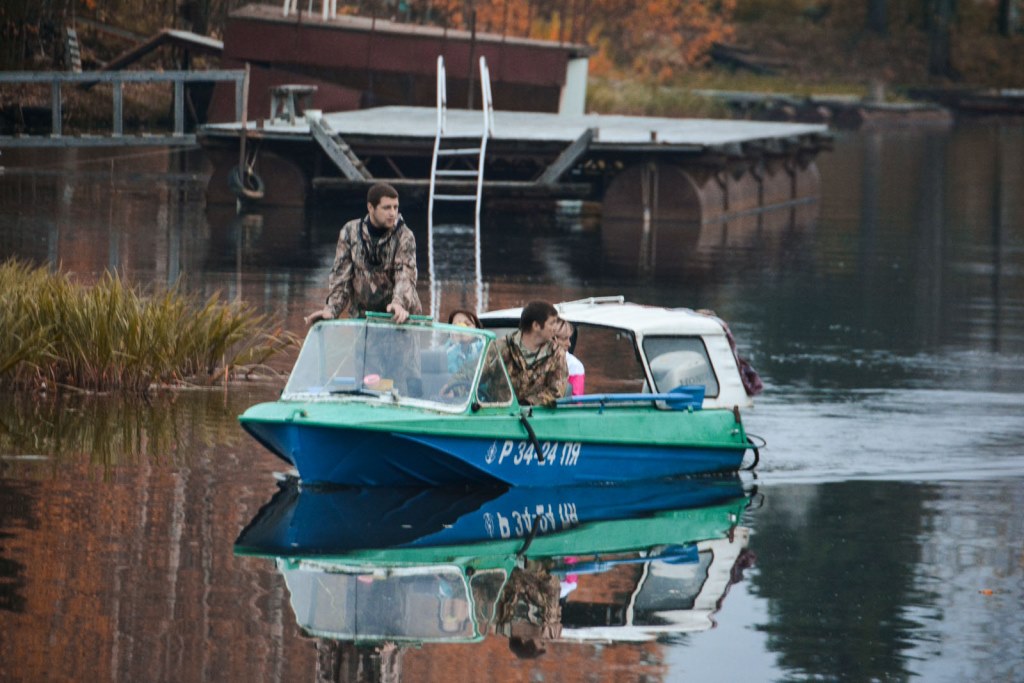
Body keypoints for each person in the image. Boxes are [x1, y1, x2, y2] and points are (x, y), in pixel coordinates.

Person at [304, 182, 422, 326]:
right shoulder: (350, 232)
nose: (392, 213)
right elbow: (341, 277)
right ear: (370, 207)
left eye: (395, 207)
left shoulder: (405, 236)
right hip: (362, 319)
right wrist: (331, 310)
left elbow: (405, 275)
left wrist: (398, 304)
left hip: (400, 318)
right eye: (386, 208)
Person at [496, 301, 567, 407]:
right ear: (536, 325)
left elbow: (557, 391)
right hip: (500, 411)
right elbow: (479, 376)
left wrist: (529, 402)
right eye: (552, 323)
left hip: (535, 414)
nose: (555, 328)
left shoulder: (556, 353)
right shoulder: (501, 347)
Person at [553, 319, 585, 396]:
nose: (569, 344)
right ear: (553, 339)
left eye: (569, 338)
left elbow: (576, 399)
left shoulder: (574, 365)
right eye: (564, 339)